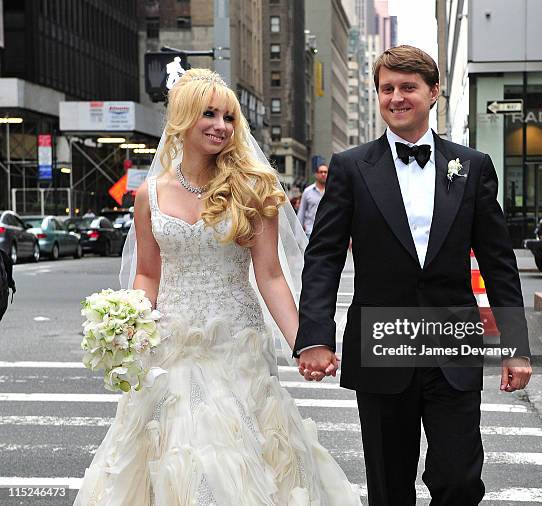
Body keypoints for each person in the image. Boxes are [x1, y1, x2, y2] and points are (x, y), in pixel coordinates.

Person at [75, 69, 360, 505]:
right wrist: (128, 324)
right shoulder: (149, 195)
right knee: (171, 456)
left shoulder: (253, 188)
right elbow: (148, 273)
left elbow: (270, 276)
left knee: (236, 460)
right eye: (209, 114)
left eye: (228, 117)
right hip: (169, 343)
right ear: (183, 118)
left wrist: (305, 343)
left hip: (234, 344)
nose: (221, 126)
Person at [294, 45, 532, 505]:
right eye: (387, 88)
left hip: (452, 342)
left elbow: (499, 261)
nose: (396, 97)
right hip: (383, 341)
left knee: (460, 477)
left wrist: (516, 348)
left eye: (408, 87)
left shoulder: (473, 166)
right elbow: (323, 257)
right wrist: (316, 335)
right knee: (389, 485)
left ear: (433, 91)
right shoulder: (350, 168)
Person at [297, 164, 327, 238]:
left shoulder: (332, 191)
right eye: (321, 172)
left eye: (325, 172)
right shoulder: (308, 191)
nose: (323, 174)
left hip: (327, 233)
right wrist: (298, 235)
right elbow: (301, 212)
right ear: (316, 174)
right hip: (310, 232)